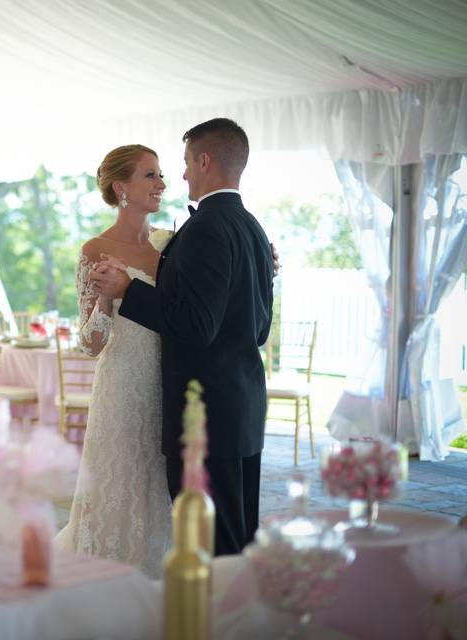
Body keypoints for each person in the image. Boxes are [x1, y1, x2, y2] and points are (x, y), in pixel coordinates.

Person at [90, 118, 274, 556]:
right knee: (237, 542)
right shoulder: (252, 228)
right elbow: (260, 329)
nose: (183, 175)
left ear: (205, 160)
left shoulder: (207, 227)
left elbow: (196, 325)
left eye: (187, 163)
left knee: (212, 549)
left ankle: (218, 624)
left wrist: (128, 290)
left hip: (207, 417)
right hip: (242, 409)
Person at [53, 144, 172, 577]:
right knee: (118, 480)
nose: (161, 184)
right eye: (150, 175)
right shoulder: (95, 249)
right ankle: (106, 574)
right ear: (122, 187)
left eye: (161, 175)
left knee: (158, 482)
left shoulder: (171, 250)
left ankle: (155, 573)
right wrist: (104, 298)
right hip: (122, 383)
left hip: (168, 381)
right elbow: (90, 343)